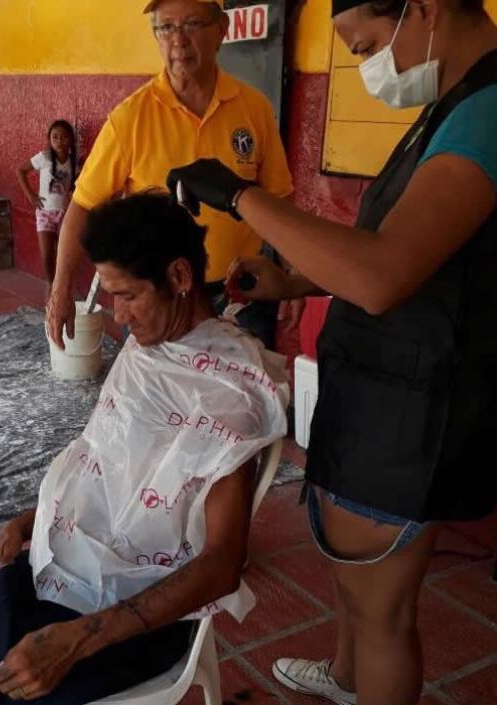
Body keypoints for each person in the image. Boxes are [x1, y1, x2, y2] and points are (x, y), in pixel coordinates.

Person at [168, 1, 497, 702]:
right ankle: (348, 678)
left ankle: (365, 676)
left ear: (426, 11)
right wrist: (294, 277)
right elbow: (410, 252)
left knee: (384, 613)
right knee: (353, 580)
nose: (365, 64)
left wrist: (239, 196)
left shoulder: (490, 113)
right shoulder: (452, 103)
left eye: (367, 43)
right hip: (381, 389)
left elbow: (381, 274)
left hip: (415, 409)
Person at [0, 193, 289, 704]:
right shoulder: (151, 345)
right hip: (70, 566)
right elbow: (111, 467)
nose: (118, 315)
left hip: (131, 617)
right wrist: (30, 518)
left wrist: (76, 640)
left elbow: (223, 565)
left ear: (179, 277)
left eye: (127, 294)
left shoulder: (227, 393)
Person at [46, 0, 295, 352]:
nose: (178, 40)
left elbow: (280, 199)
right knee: (160, 402)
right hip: (158, 302)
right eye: (166, 28)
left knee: (237, 402)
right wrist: (61, 290)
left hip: (242, 296)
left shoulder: (254, 109)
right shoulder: (130, 117)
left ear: (222, 31)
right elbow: (82, 206)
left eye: (192, 24)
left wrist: (295, 277)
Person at [17, 120, 81, 284]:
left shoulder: (74, 162)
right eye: (55, 137)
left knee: (63, 252)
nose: (60, 141)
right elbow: (21, 170)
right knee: (47, 254)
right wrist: (31, 195)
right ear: (50, 140)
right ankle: (50, 284)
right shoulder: (44, 157)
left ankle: (62, 285)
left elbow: (77, 185)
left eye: (64, 137)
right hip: (44, 212)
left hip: (64, 214)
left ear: (71, 140)